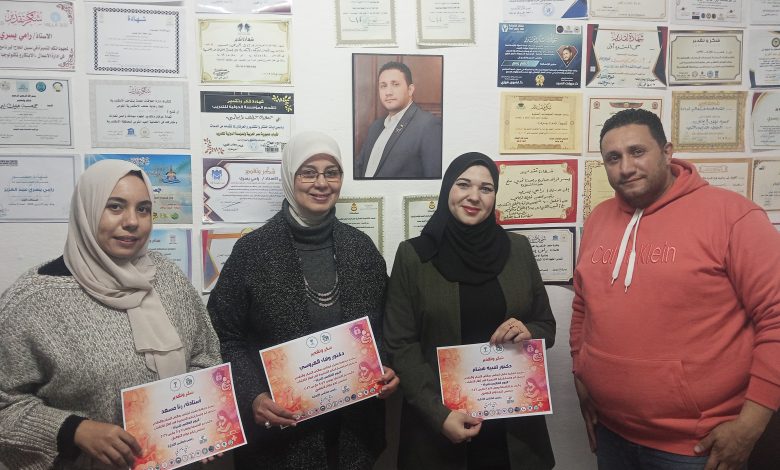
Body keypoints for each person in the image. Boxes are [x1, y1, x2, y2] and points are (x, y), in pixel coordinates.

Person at [570, 108, 780, 470]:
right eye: (613, 158)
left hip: (695, 445)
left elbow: (776, 319)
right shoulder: (599, 219)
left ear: (667, 152)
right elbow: (582, 307)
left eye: (637, 152)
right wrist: (582, 375)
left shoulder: (733, 216)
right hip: (611, 432)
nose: (626, 167)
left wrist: (751, 425)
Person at [0, 160, 221, 469]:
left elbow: (204, 354)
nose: (132, 221)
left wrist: (201, 418)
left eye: (143, 209)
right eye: (115, 207)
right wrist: (74, 430)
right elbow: (5, 404)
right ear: (87, 210)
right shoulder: (33, 301)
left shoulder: (167, 278)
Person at [207, 130, 400, 469]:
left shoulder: (362, 249)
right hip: (280, 441)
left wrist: (386, 367)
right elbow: (224, 335)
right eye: (308, 173)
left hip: (353, 436)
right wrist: (252, 396)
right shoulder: (253, 252)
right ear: (289, 177)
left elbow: (385, 324)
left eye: (331, 172)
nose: (321, 183)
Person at [384, 152, 556, 469]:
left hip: (512, 429)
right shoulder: (413, 256)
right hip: (439, 428)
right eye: (463, 184)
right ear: (447, 188)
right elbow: (400, 344)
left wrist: (529, 331)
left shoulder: (518, 249)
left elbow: (546, 325)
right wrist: (439, 414)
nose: (474, 196)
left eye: (486, 188)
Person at [355, 61, 442, 179]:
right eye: (383, 86)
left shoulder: (428, 125)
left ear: (410, 89)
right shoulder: (375, 127)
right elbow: (359, 168)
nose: (388, 92)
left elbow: (433, 180)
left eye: (395, 84)